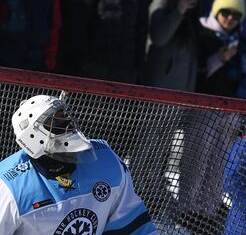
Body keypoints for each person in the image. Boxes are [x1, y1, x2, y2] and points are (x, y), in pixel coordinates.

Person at [0, 94, 157, 234]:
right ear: (32, 137)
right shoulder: (9, 189)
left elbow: (132, 226)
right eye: (58, 124)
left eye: (66, 119)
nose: (68, 127)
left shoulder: (106, 161)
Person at [144, 0, 199, 91]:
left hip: (180, 95)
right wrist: (178, 12)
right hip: (157, 91)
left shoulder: (193, 12)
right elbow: (158, 38)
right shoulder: (161, 3)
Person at [197, 0, 246, 98]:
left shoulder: (241, 42)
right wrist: (219, 59)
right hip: (205, 104)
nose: (230, 18)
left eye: (236, 15)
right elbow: (196, 74)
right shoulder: (203, 34)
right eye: (225, 12)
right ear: (216, 11)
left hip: (234, 107)